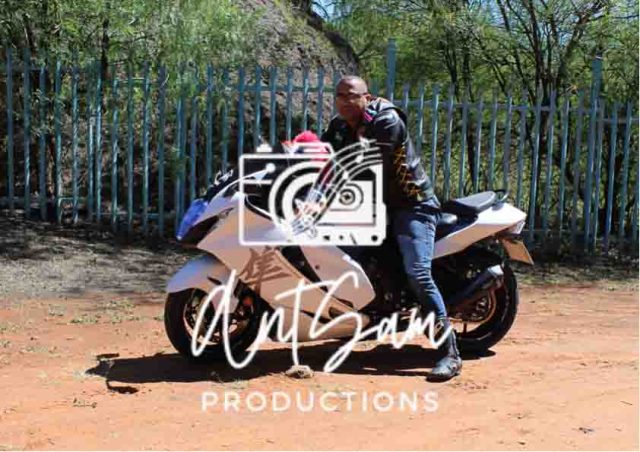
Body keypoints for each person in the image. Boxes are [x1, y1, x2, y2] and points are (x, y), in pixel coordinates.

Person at [320, 75, 462, 381]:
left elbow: (365, 168)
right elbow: (322, 156)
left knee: (418, 272)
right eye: (340, 95)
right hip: (377, 205)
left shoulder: (387, 121)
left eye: (352, 95)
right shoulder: (339, 126)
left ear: (367, 97)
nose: (345, 101)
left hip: (412, 205)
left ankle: (449, 353)